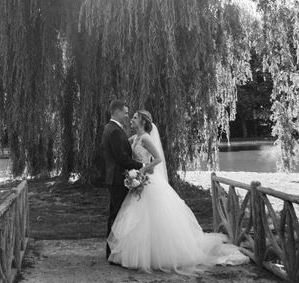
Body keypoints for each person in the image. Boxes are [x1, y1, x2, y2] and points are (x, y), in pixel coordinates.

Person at [107, 109, 248, 272]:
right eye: (131, 116)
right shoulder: (134, 139)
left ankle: (160, 254)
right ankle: (136, 254)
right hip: (139, 181)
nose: (131, 119)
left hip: (149, 181)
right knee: (136, 219)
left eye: (135, 117)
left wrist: (144, 170)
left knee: (155, 218)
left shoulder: (145, 138)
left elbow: (158, 159)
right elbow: (125, 156)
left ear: (143, 122)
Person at [101, 99, 144, 261]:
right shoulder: (114, 131)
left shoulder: (110, 129)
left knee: (115, 215)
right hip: (118, 180)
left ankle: (113, 251)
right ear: (117, 112)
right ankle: (113, 252)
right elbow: (123, 159)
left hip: (115, 178)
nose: (127, 116)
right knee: (118, 217)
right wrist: (144, 165)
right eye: (125, 113)